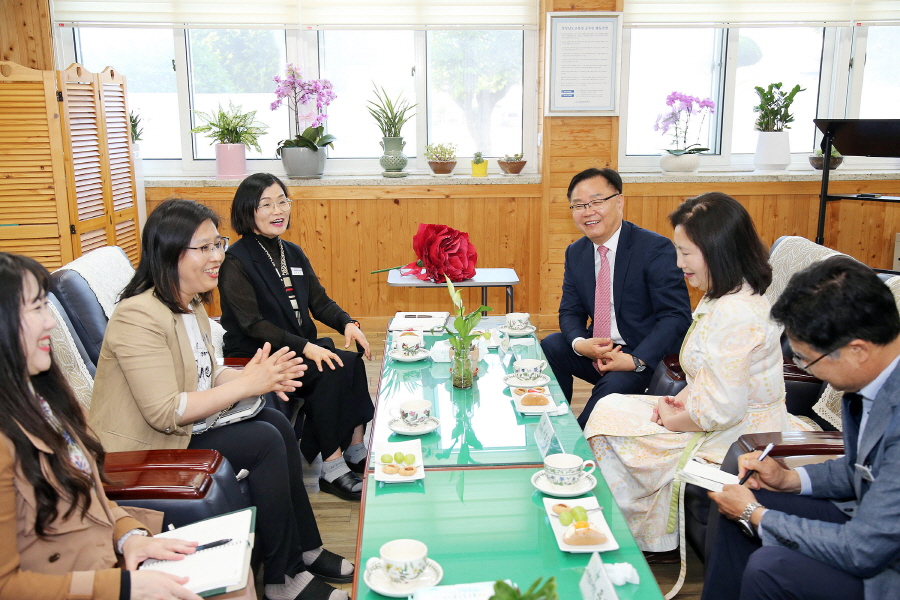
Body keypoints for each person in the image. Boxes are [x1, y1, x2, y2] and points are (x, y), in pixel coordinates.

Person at [89, 199, 353, 600]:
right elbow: (166, 411)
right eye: (205, 248)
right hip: (144, 447)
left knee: (276, 423)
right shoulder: (136, 316)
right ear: (170, 251)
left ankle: (304, 550)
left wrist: (257, 378)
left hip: (178, 431)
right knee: (263, 441)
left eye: (219, 245)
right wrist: (247, 385)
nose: (217, 257)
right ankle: (283, 580)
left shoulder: (189, 304)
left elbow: (207, 373)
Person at [584, 192, 807, 553]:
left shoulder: (735, 313)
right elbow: (709, 374)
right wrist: (679, 400)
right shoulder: (724, 293)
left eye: (686, 253)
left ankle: (635, 541)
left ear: (719, 251)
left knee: (609, 428)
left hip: (738, 437)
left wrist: (673, 419)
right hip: (713, 414)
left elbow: (723, 411)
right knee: (608, 407)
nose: (678, 262)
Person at [0, 251, 211, 600]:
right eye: (36, 308)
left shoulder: (44, 397)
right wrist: (124, 587)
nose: (50, 322)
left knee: (236, 577)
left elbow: (90, 493)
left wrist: (131, 536)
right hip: (80, 585)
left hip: (103, 564)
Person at [703, 255, 900, 600]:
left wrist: (757, 514)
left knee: (770, 566)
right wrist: (790, 480)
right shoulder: (870, 382)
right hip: (870, 524)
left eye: (808, 359)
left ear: (857, 350)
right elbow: (862, 468)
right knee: (739, 506)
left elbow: (864, 550)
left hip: (885, 565)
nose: (805, 371)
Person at [218, 173, 375, 502]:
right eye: (266, 204)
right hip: (259, 353)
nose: (278, 210)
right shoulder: (235, 261)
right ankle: (332, 470)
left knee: (351, 359)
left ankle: (355, 450)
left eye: (282, 201)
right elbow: (252, 324)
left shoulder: (291, 251)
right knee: (329, 368)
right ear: (248, 211)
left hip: (299, 347)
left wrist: (348, 323)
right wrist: (307, 346)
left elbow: (319, 302)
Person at [540, 167, 692, 428]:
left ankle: (577, 440)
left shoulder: (654, 248)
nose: (588, 211)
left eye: (597, 202)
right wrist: (579, 343)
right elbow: (570, 311)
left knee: (608, 392)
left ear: (619, 201)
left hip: (641, 356)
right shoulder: (576, 252)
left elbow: (675, 316)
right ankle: (556, 422)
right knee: (553, 345)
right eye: (579, 205)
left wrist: (635, 360)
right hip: (599, 350)